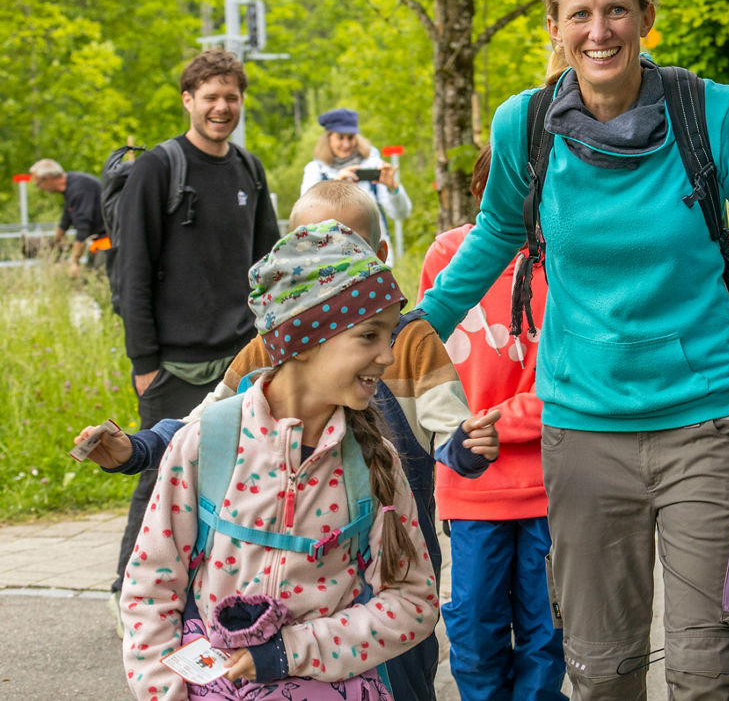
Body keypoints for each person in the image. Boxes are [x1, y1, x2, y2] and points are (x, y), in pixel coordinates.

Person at [417, 0, 729, 699]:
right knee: (601, 669)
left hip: (709, 420)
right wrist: (414, 330)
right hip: (582, 431)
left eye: (615, 9)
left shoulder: (713, 114)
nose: (599, 30)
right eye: (580, 14)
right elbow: (493, 240)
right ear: (554, 27)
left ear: (646, 17)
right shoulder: (526, 126)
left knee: (706, 666)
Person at [77, 180, 498, 701]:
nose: (387, 357)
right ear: (305, 338)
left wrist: (289, 653)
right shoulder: (211, 443)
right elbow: (150, 587)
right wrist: (165, 690)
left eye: (386, 336)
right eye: (368, 337)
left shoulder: (375, 463)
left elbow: (413, 601)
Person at [110, 50, 280, 636]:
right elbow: (133, 269)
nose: (221, 107)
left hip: (239, 357)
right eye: (209, 96)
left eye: (231, 96)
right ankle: (126, 590)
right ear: (187, 100)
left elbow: (271, 265)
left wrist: (274, 342)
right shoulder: (160, 167)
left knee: (234, 478)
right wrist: (144, 363)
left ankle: (209, 594)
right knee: (159, 475)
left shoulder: (249, 170)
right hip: (173, 364)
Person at [419, 145, 566, 701]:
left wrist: (510, 422)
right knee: (473, 631)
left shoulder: (569, 259)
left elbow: (580, 377)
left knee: (545, 634)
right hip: (471, 480)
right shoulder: (449, 254)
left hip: (552, 482)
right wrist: (460, 431)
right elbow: (425, 358)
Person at [301, 107, 411, 264]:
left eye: (351, 137)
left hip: (372, 257)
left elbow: (401, 214)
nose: (346, 144)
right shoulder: (315, 171)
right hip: (330, 259)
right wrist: (334, 186)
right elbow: (306, 216)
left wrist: (392, 188)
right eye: (340, 137)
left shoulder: (373, 165)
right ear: (328, 139)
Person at [29, 158, 108, 276]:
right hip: (98, 241)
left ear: (49, 178)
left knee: (100, 278)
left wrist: (74, 262)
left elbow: (83, 227)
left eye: (38, 183)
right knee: (90, 278)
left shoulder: (79, 188)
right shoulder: (70, 188)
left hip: (109, 240)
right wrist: (53, 250)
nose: (39, 188)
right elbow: (64, 223)